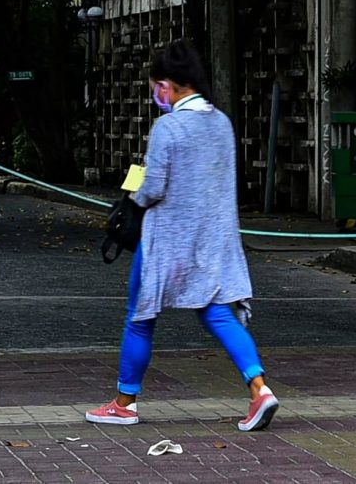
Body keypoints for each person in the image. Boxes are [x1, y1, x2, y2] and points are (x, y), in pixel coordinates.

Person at [84, 40, 278, 434]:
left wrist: (131, 194)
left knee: (140, 319)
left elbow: (153, 189)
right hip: (213, 242)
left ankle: (124, 403)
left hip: (167, 244)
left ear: (168, 85)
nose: (157, 95)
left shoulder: (168, 127)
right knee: (217, 312)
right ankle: (259, 388)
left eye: (157, 87)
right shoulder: (221, 122)